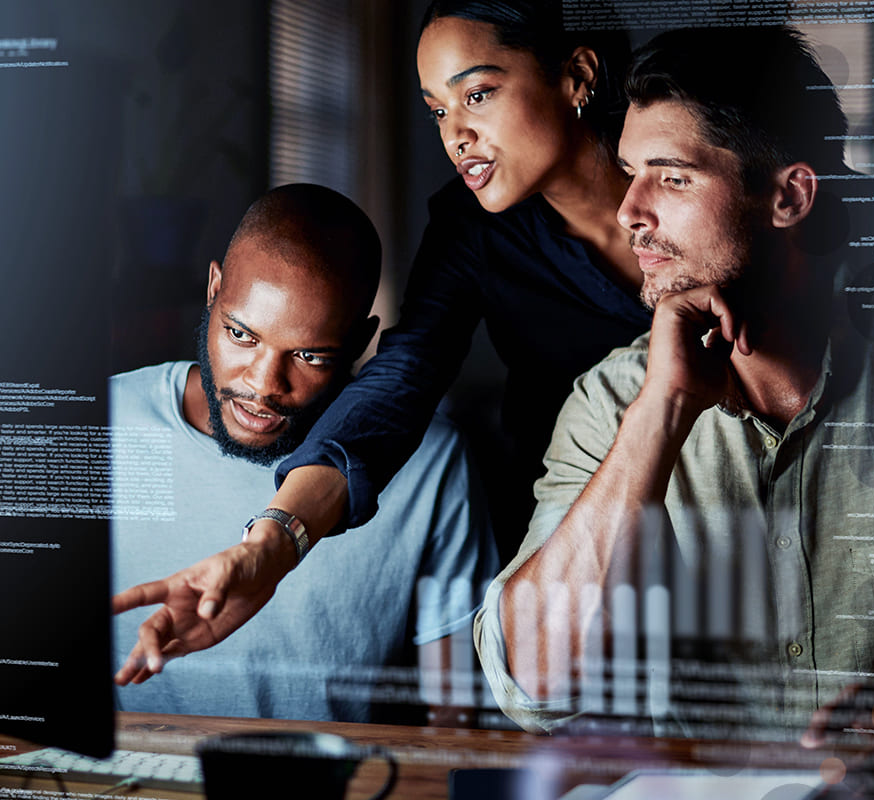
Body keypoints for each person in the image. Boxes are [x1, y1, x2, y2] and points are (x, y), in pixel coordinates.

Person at [474, 26, 874, 744]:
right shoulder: (614, 403)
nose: (629, 211)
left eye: (671, 177)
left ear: (789, 197)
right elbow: (533, 688)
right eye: (631, 172)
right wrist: (661, 413)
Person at [113, 0, 655, 688]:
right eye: (436, 111)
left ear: (578, 76)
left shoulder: (699, 181)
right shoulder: (472, 233)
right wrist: (274, 545)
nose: (455, 134)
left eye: (478, 94)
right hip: (584, 522)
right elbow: (402, 377)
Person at [109, 183, 497, 723]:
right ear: (213, 288)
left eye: (310, 355)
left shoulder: (431, 459)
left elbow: (453, 712)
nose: (265, 385)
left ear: (362, 342)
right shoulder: (102, 423)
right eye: (241, 334)